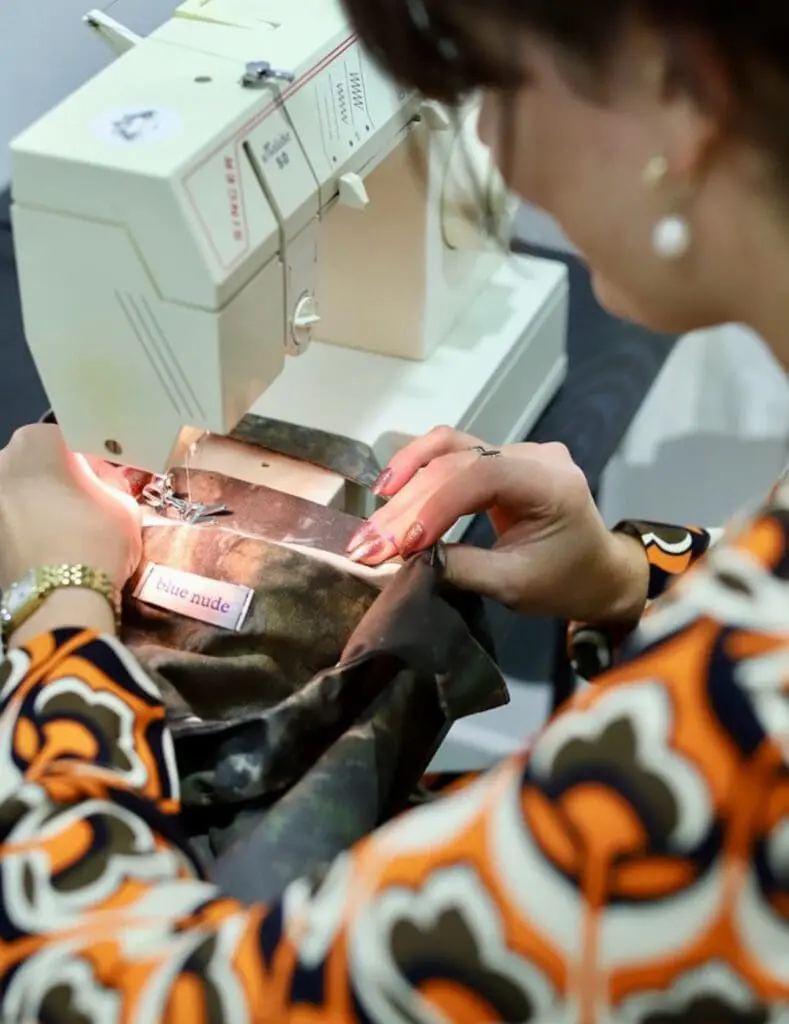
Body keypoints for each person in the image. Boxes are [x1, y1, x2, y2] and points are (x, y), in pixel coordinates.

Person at [1, 0, 789, 1013]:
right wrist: (631, 581)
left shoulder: (740, 743)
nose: (491, 147)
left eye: (498, 83)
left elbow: (127, 997)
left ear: (686, 89)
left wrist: (55, 604)